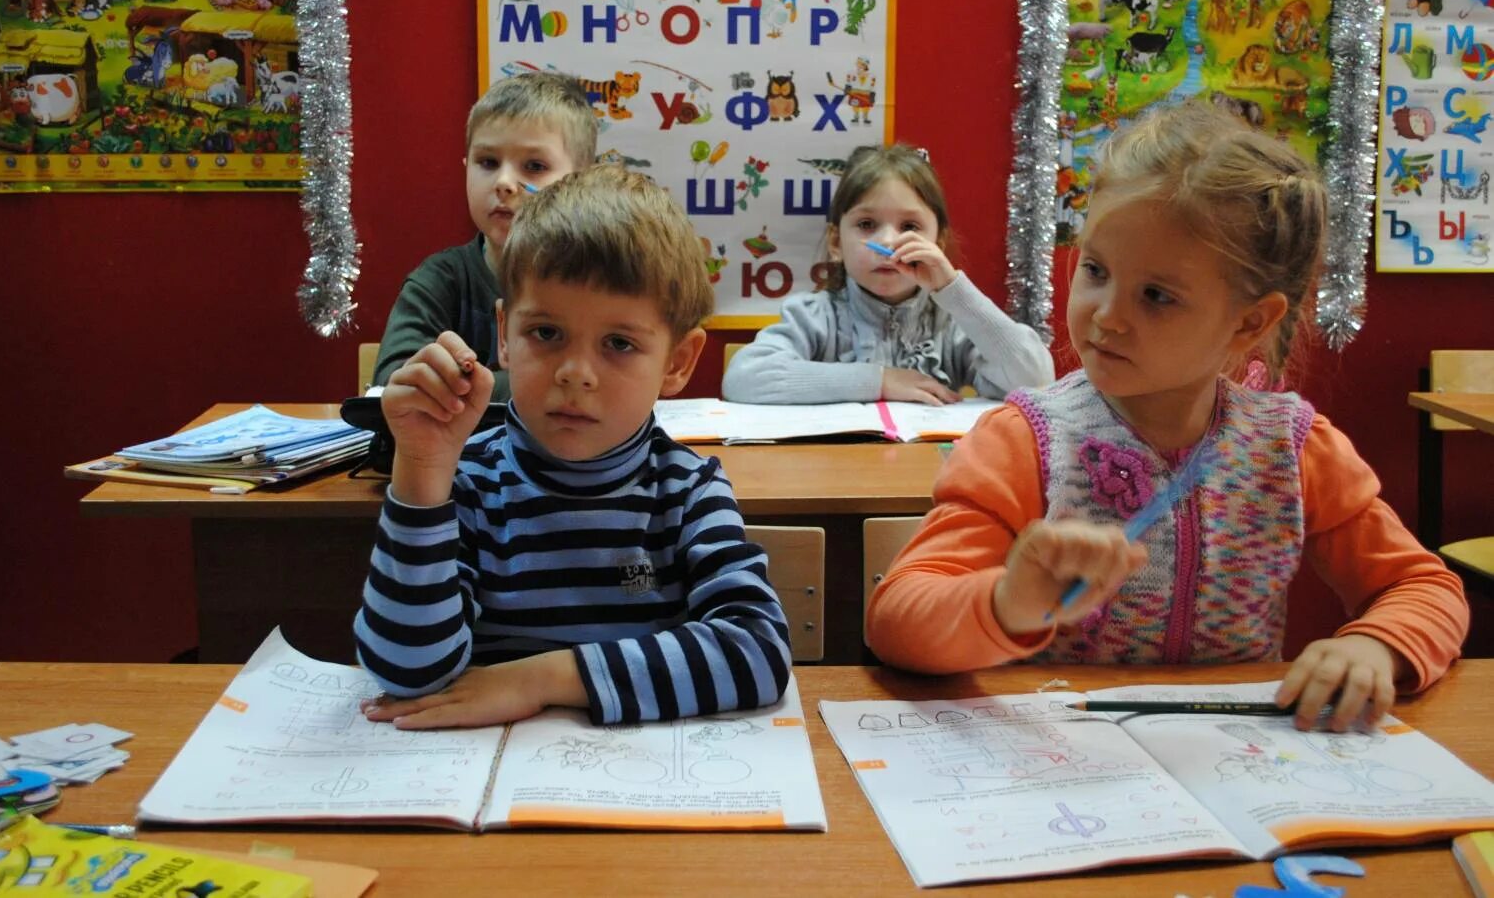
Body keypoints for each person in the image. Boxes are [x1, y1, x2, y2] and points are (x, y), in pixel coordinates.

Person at [865, 102, 1468, 732]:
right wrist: (1005, 603)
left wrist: (1378, 645)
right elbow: (898, 619)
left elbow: (1424, 587)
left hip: (1237, 764)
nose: (1107, 316)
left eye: (1156, 296)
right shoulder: (1024, 441)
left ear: (1249, 322)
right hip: (1062, 765)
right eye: (1096, 271)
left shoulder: (1292, 449)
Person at [354, 165, 791, 729]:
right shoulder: (466, 483)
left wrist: (535, 680)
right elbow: (406, 674)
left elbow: (756, 650)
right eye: (546, 334)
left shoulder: (687, 490)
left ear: (678, 362)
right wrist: (419, 469)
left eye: (619, 343)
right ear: (504, 334)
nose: (576, 373)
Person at [721, 143, 1054, 406]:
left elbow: (1037, 379)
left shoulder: (953, 324)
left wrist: (952, 288)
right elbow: (743, 377)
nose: (888, 242)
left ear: (936, 243)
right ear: (837, 242)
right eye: (867, 225)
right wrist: (880, 381)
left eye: (909, 227)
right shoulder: (815, 317)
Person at [370, 71, 598, 395]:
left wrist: (463, 387)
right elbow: (392, 389)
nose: (504, 182)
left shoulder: (604, 280)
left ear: (581, 180)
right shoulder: (439, 281)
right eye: (488, 162)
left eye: (534, 166)